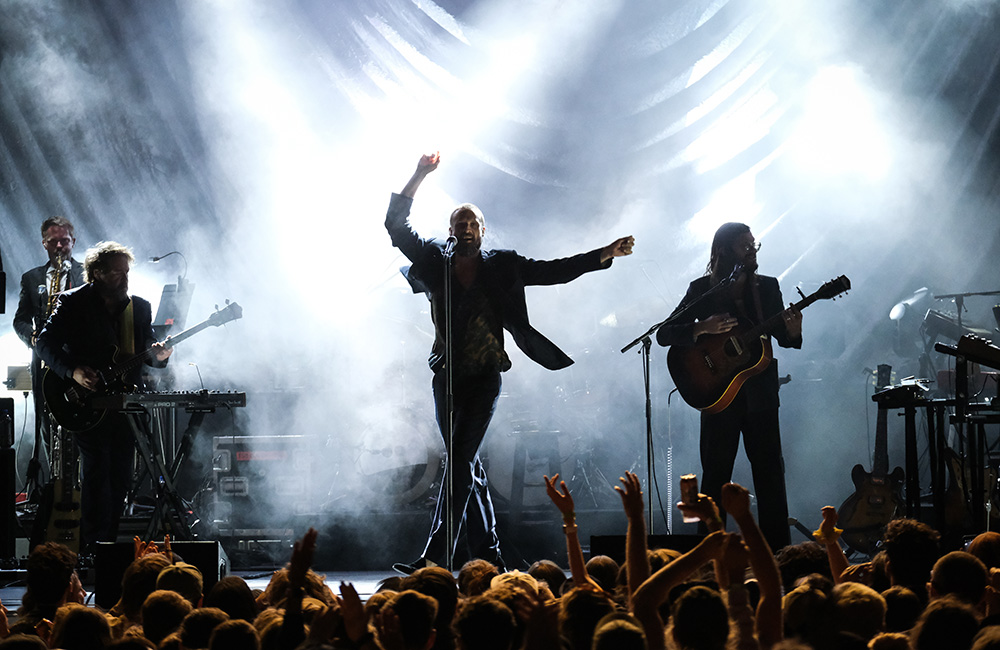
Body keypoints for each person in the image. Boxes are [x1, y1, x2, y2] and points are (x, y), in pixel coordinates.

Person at [386, 152, 635, 573]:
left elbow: (554, 270)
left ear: (482, 231)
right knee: (469, 468)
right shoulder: (434, 259)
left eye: (472, 223)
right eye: (458, 223)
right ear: (450, 231)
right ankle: (493, 556)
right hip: (445, 377)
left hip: (484, 377)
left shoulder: (502, 265)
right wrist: (419, 174)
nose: (465, 228)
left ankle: (436, 556)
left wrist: (601, 254)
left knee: (460, 462)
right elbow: (396, 226)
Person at [656, 222, 802, 551]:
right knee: (715, 477)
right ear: (724, 252)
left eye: (754, 245)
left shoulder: (767, 287)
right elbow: (665, 333)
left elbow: (784, 338)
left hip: (760, 396)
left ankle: (778, 555)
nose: (753, 251)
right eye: (745, 246)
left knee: (770, 476)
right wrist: (700, 328)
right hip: (717, 394)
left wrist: (793, 331)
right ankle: (708, 554)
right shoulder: (702, 289)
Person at [35, 241, 173, 552]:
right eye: (116, 273)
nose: (125, 279)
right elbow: (44, 343)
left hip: (125, 405)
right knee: (97, 473)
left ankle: (108, 547)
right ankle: (93, 548)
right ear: (96, 274)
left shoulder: (139, 307)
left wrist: (161, 355)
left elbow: (148, 349)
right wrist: (73, 372)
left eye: (127, 272)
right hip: (87, 402)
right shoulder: (73, 302)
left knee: (121, 476)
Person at [12, 217, 86, 493]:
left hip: (76, 361)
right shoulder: (31, 278)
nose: (59, 246)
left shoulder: (86, 273)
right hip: (43, 362)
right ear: (43, 243)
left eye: (64, 241)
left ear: (73, 242)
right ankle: (57, 489)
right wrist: (33, 339)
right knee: (46, 423)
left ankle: (80, 490)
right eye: (53, 241)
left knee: (80, 422)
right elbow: (20, 320)